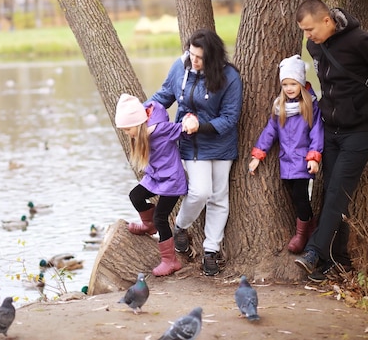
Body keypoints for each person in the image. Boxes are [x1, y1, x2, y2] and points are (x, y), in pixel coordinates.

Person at [294, 0, 368, 282]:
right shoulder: (315, 46)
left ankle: (313, 252)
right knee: (332, 193)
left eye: (310, 29)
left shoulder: (360, 42)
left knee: (336, 193)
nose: (308, 36)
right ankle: (339, 260)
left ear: (327, 20)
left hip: (359, 132)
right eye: (304, 32)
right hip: (330, 130)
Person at [148, 28, 243, 276]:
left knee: (219, 198)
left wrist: (202, 125)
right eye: (191, 53)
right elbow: (163, 96)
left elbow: (230, 118)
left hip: (221, 144)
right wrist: (142, 112)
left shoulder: (230, 76)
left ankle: (210, 250)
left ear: (212, 58)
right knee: (200, 192)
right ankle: (180, 226)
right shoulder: (180, 68)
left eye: (199, 57)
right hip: (191, 144)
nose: (193, 60)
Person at [115, 93, 198, 276]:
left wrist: (190, 120)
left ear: (137, 123)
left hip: (172, 181)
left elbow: (185, 131)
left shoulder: (162, 129)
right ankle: (148, 225)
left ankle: (170, 261)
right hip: (154, 177)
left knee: (161, 217)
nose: (127, 134)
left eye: (128, 130)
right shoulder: (142, 132)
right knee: (135, 196)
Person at [249, 54, 324, 254]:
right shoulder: (279, 106)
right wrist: (258, 155)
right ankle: (310, 228)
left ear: (301, 82)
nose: (289, 88)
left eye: (293, 83)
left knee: (301, 195)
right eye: (285, 84)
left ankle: (303, 234)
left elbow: (317, 132)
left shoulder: (310, 105)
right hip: (286, 160)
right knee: (294, 196)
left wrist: (314, 157)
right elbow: (270, 131)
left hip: (302, 160)